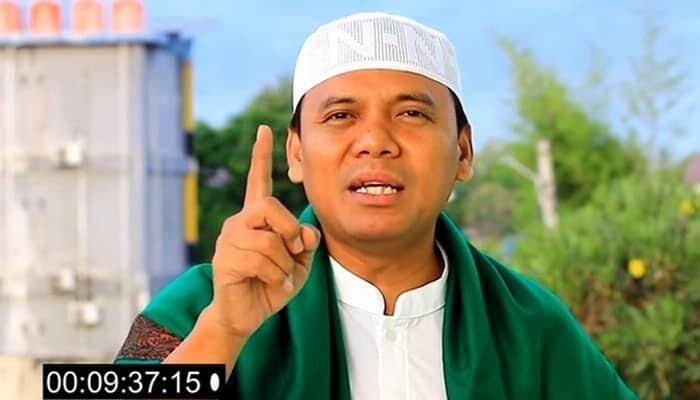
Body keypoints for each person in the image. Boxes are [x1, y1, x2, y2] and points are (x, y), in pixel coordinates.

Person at [115, 12, 638, 399]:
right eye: (340, 116)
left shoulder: (530, 326)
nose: (375, 142)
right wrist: (224, 331)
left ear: (462, 151)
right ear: (296, 154)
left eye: (411, 114)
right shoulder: (201, 304)